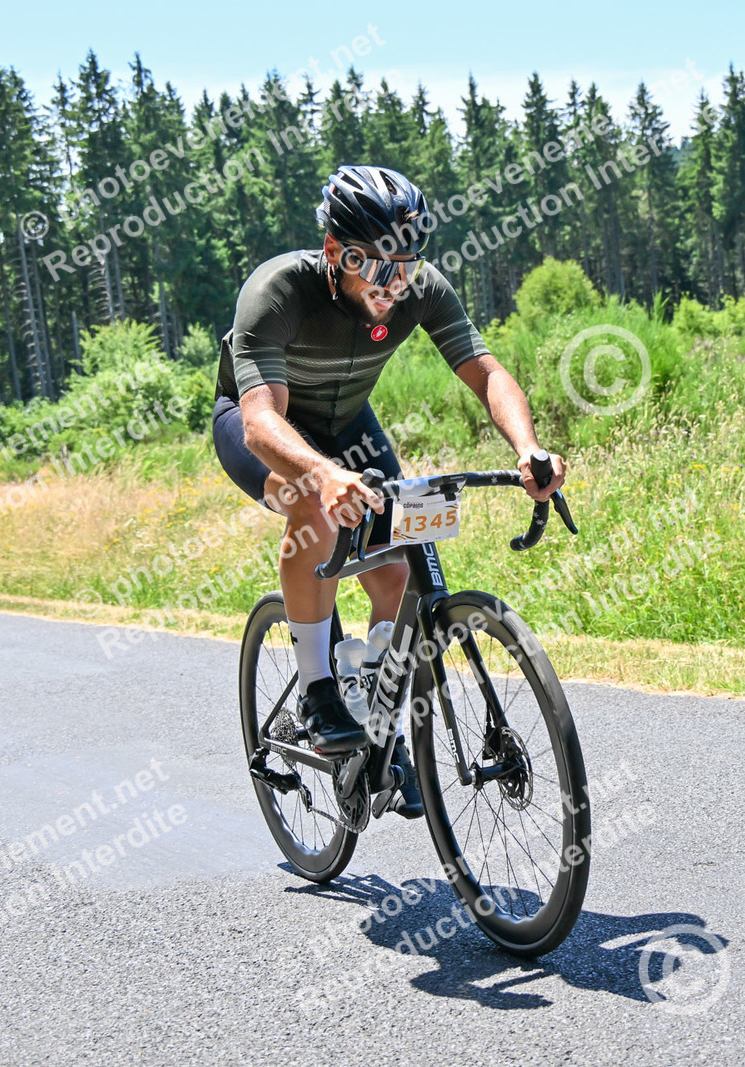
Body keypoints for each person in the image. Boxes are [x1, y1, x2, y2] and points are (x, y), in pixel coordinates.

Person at [212, 165, 566, 818]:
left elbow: (487, 373)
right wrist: (324, 474)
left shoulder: (418, 287)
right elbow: (262, 421)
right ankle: (318, 692)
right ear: (333, 252)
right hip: (261, 425)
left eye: (406, 263)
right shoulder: (277, 290)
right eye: (377, 264)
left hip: (349, 425)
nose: (394, 281)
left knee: (402, 564)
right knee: (312, 503)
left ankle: (379, 725)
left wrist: (528, 448)